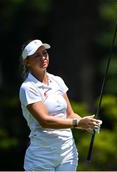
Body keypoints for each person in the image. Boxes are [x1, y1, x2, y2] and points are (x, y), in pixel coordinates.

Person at [19, 39, 102, 171]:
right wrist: (78, 123)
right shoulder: (28, 87)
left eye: (44, 53)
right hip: (41, 156)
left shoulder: (57, 81)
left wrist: (87, 124)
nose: (43, 58)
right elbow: (45, 121)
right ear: (27, 62)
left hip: (67, 153)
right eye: (37, 55)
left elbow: (69, 114)